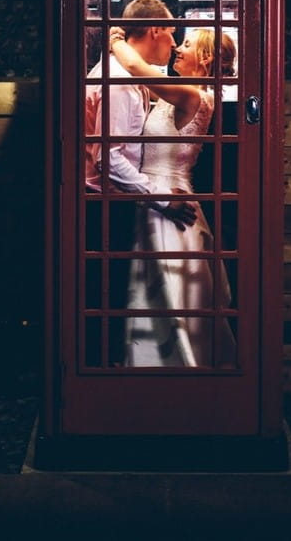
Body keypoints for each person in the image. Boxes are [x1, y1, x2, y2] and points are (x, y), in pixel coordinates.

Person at [109, 24, 237, 367]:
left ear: (206, 57)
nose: (178, 49)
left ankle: (181, 371)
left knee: (170, 296)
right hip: (154, 197)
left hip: (168, 205)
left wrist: (114, 38)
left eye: (188, 44)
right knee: (155, 296)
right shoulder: (179, 94)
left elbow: (135, 69)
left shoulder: (194, 96)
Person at [85, 0, 196, 364]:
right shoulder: (119, 82)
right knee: (107, 297)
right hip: (102, 204)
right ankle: (104, 373)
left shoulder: (123, 74)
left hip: (116, 200)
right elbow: (110, 158)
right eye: (172, 34)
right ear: (155, 30)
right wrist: (162, 199)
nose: (175, 44)